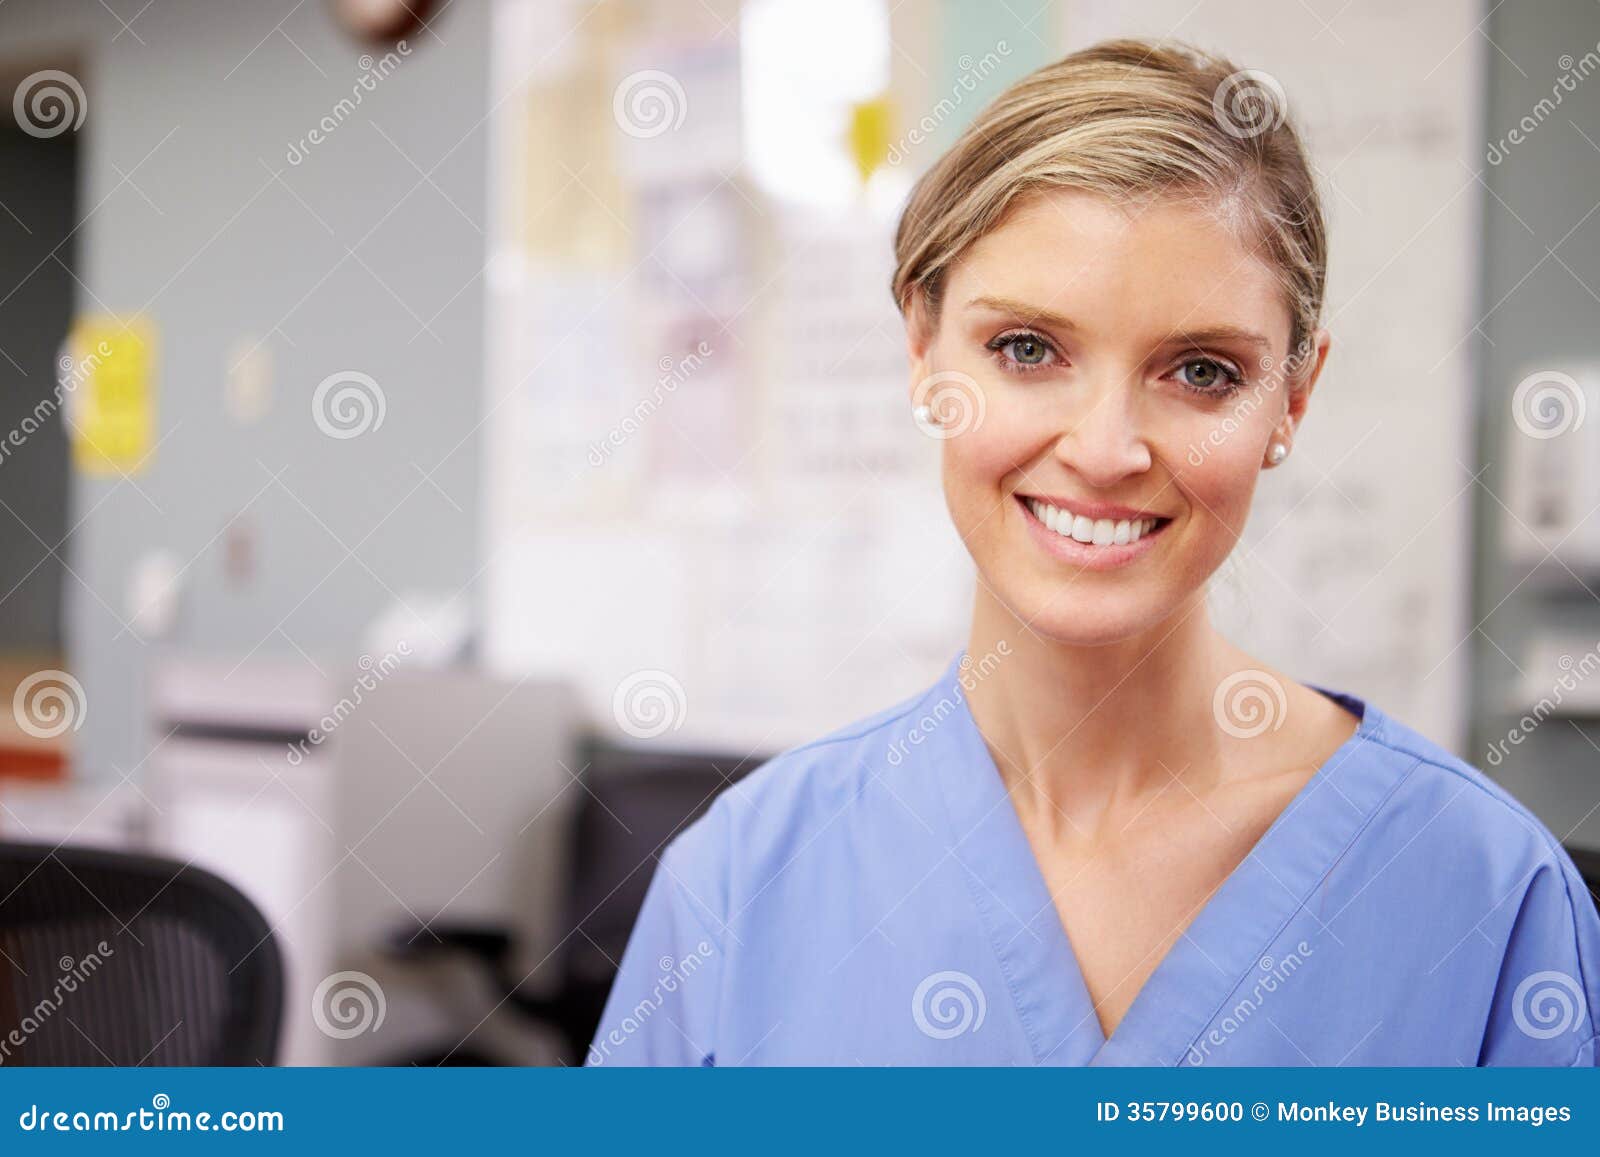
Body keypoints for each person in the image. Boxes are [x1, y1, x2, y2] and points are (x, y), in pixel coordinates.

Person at [586, 38, 1600, 1066]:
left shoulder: (1482, 898)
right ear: (921, 350)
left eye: (1201, 370)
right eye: (1027, 349)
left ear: (1291, 397)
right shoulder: (740, 885)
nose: (1105, 450)